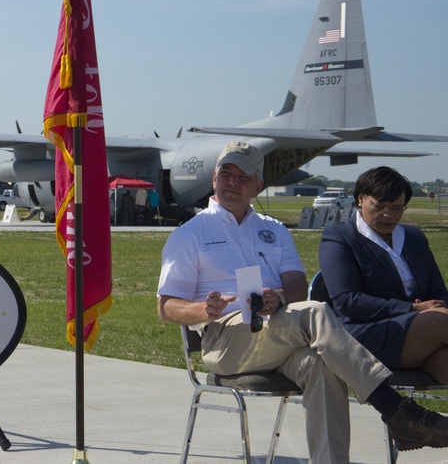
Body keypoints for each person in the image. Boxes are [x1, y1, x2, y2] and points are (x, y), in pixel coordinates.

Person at [157, 141, 448, 459]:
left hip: (279, 332)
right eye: (226, 174)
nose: (233, 183)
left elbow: (296, 285)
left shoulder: (274, 230)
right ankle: (396, 411)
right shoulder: (189, 234)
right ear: (214, 178)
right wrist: (202, 308)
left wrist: (279, 297)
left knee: (320, 365)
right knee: (317, 312)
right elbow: (166, 306)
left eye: (243, 177)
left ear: (258, 186)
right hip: (226, 339)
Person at [320, 166, 448, 382]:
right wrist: (413, 308)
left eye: (398, 208)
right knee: (439, 320)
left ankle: (410, 416)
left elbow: (438, 292)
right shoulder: (340, 238)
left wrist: (435, 306)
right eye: (380, 206)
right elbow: (347, 301)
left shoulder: (414, 236)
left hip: (421, 333)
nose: (389, 215)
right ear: (361, 199)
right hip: (365, 334)